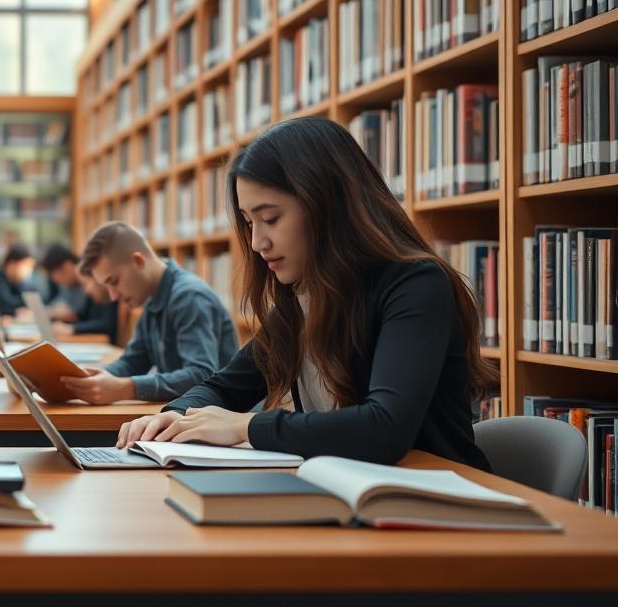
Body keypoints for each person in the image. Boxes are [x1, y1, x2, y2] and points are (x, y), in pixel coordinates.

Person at [116, 118, 493, 471]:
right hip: (355, 492)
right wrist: (175, 416)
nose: (257, 242)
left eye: (271, 219)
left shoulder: (416, 286)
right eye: (249, 222)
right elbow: (224, 386)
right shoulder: (303, 300)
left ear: (328, 205)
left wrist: (246, 426)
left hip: (440, 498)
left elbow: (384, 428)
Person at [60, 223, 237, 405]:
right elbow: (133, 362)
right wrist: (92, 378)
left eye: (114, 281)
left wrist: (127, 388)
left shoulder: (189, 297)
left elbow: (201, 374)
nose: (113, 296)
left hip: (219, 413)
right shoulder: (152, 299)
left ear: (138, 261)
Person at [39, 244, 87, 322]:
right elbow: (60, 302)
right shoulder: (67, 285)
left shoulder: (87, 279)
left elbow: (77, 313)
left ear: (67, 266)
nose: (55, 280)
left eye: (54, 275)